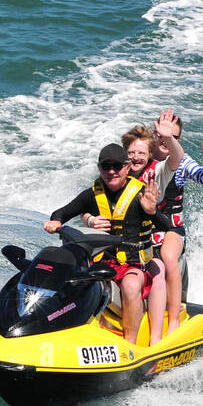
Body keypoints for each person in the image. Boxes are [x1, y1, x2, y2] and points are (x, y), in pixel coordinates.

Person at [43, 143, 168, 345]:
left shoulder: (141, 194)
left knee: (130, 285)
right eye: (105, 167)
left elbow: (166, 226)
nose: (111, 172)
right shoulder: (91, 194)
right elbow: (62, 212)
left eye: (117, 167)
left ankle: (130, 344)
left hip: (135, 265)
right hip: (103, 263)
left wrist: (152, 211)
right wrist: (56, 222)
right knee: (72, 279)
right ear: (100, 169)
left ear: (127, 168)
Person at [148, 112, 203, 334]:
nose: (165, 139)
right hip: (143, 228)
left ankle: (174, 320)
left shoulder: (181, 162)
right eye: (162, 134)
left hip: (170, 230)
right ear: (154, 134)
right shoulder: (141, 158)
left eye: (173, 136)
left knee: (168, 257)